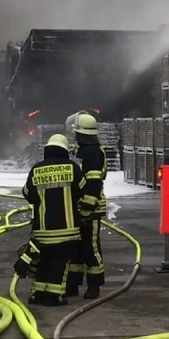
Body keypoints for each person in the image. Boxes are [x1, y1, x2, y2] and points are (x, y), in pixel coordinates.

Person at [17, 134, 86, 306]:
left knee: (44, 262)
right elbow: (82, 190)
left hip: (42, 230)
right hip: (67, 230)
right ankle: (54, 296)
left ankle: (38, 294)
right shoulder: (72, 168)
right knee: (59, 263)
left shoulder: (37, 169)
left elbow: (27, 194)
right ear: (65, 150)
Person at [66, 112, 107, 300]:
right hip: (79, 207)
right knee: (76, 249)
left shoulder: (92, 153)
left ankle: (94, 285)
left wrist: (87, 208)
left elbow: (93, 183)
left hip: (91, 209)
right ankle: (72, 284)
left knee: (91, 248)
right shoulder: (83, 150)